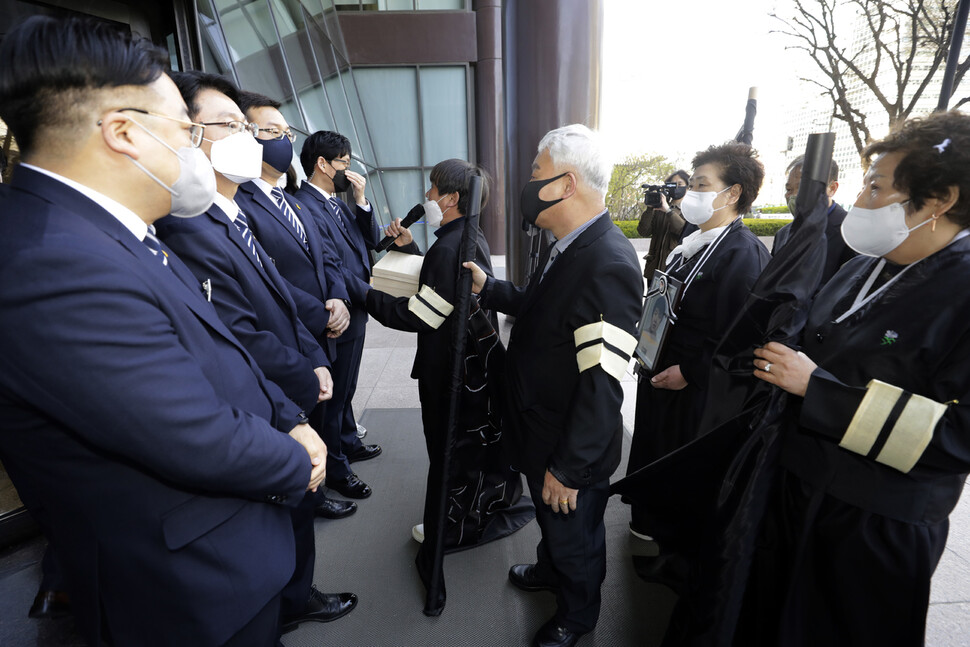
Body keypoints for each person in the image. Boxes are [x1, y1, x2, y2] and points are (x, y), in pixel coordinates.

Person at [0, 16, 328, 646]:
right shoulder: (51, 261)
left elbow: (218, 345)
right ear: (123, 131)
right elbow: (185, 432)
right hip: (185, 590)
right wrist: (297, 456)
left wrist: (287, 416)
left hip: (221, 558)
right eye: (189, 129)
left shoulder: (114, 228)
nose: (197, 145)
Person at [735, 111, 970, 646]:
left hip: (872, 522)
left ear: (939, 201)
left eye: (875, 187)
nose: (861, 201)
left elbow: (960, 435)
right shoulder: (865, 264)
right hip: (797, 491)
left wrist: (818, 391)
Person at [153, 70, 357, 629]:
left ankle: (295, 595)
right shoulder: (187, 229)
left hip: (295, 376)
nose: (250, 138)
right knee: (282, 511)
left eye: (251, 126)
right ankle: (289, 604)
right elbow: (238, 333)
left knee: (295, 510)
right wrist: (302, 376)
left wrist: (314, 348)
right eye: (234, 125)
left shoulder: (233, 214)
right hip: (266, 399)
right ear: (188, 133)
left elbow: (282, 299)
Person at [466, 124, 643, 647]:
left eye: (536, 174)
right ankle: (550, 570)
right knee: (553, 528)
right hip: (539, 425)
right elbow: (547, 312)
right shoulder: (569, 244)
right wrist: (493, 289)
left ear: (565, 184)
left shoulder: (607, 262)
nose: (528, 183)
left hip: (569, 443)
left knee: (576, 537)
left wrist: (568, 468)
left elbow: (603, 381)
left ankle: (578, 614)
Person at [365, 159, 533, 547]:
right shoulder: (466, 237)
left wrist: (365, 295)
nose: (427, 197)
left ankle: (456, 523)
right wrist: (411, 248)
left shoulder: (449, 246)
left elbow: (421, 315)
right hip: (473, 369)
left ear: (453, 198)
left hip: (451, 371)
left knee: (450, 448)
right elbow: (447, 292)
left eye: (433, 190)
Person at [233, 92, 379, 502]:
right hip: (300, 325)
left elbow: (327, 257)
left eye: (286, 133)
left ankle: (332, 464)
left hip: (337, 311)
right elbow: (268, 276)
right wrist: (324, 311)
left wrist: (336, 298)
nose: (283, 141)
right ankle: (321, 481)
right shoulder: (244, 204)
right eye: (271, 132)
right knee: (313, 409)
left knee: (336, 397)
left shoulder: (286, 201)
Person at [625, 142, 770, 541]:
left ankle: (669, 538)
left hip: (690, 388)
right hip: (661, 372)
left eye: (703, 185)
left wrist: (691, 371)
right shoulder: (694, 244)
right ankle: (647, 519)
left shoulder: (743, 254)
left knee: (677, 465)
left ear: (733, 193)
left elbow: (740, 336)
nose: (692, 195)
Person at [293, 131, 397, 486]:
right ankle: (337, 469)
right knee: (336, 395)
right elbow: (332, 263)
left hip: (355, 305)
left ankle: (348, 441)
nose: (347, 171)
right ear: (322, 164)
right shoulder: (303, 205)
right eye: (343, 163)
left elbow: (367, 241)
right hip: (343, 308)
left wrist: (361, 200)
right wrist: (367, 296)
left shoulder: (335, 202)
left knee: (348, 385)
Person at [771, 155, 856, 285]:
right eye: (789, 189)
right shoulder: (782, 234)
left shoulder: (851, 232)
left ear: (832, 188)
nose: (793, 196)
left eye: (803, 188)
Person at [637, 169, 691, 277]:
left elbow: (683, 232)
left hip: (673, 270)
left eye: (679, 184)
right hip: (653, 270)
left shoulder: (690, 210)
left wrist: (668, 211)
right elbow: (643, 231)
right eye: (672, 184)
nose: (675, 187)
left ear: (688, 187)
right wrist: (649, 209)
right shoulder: (658, 209)